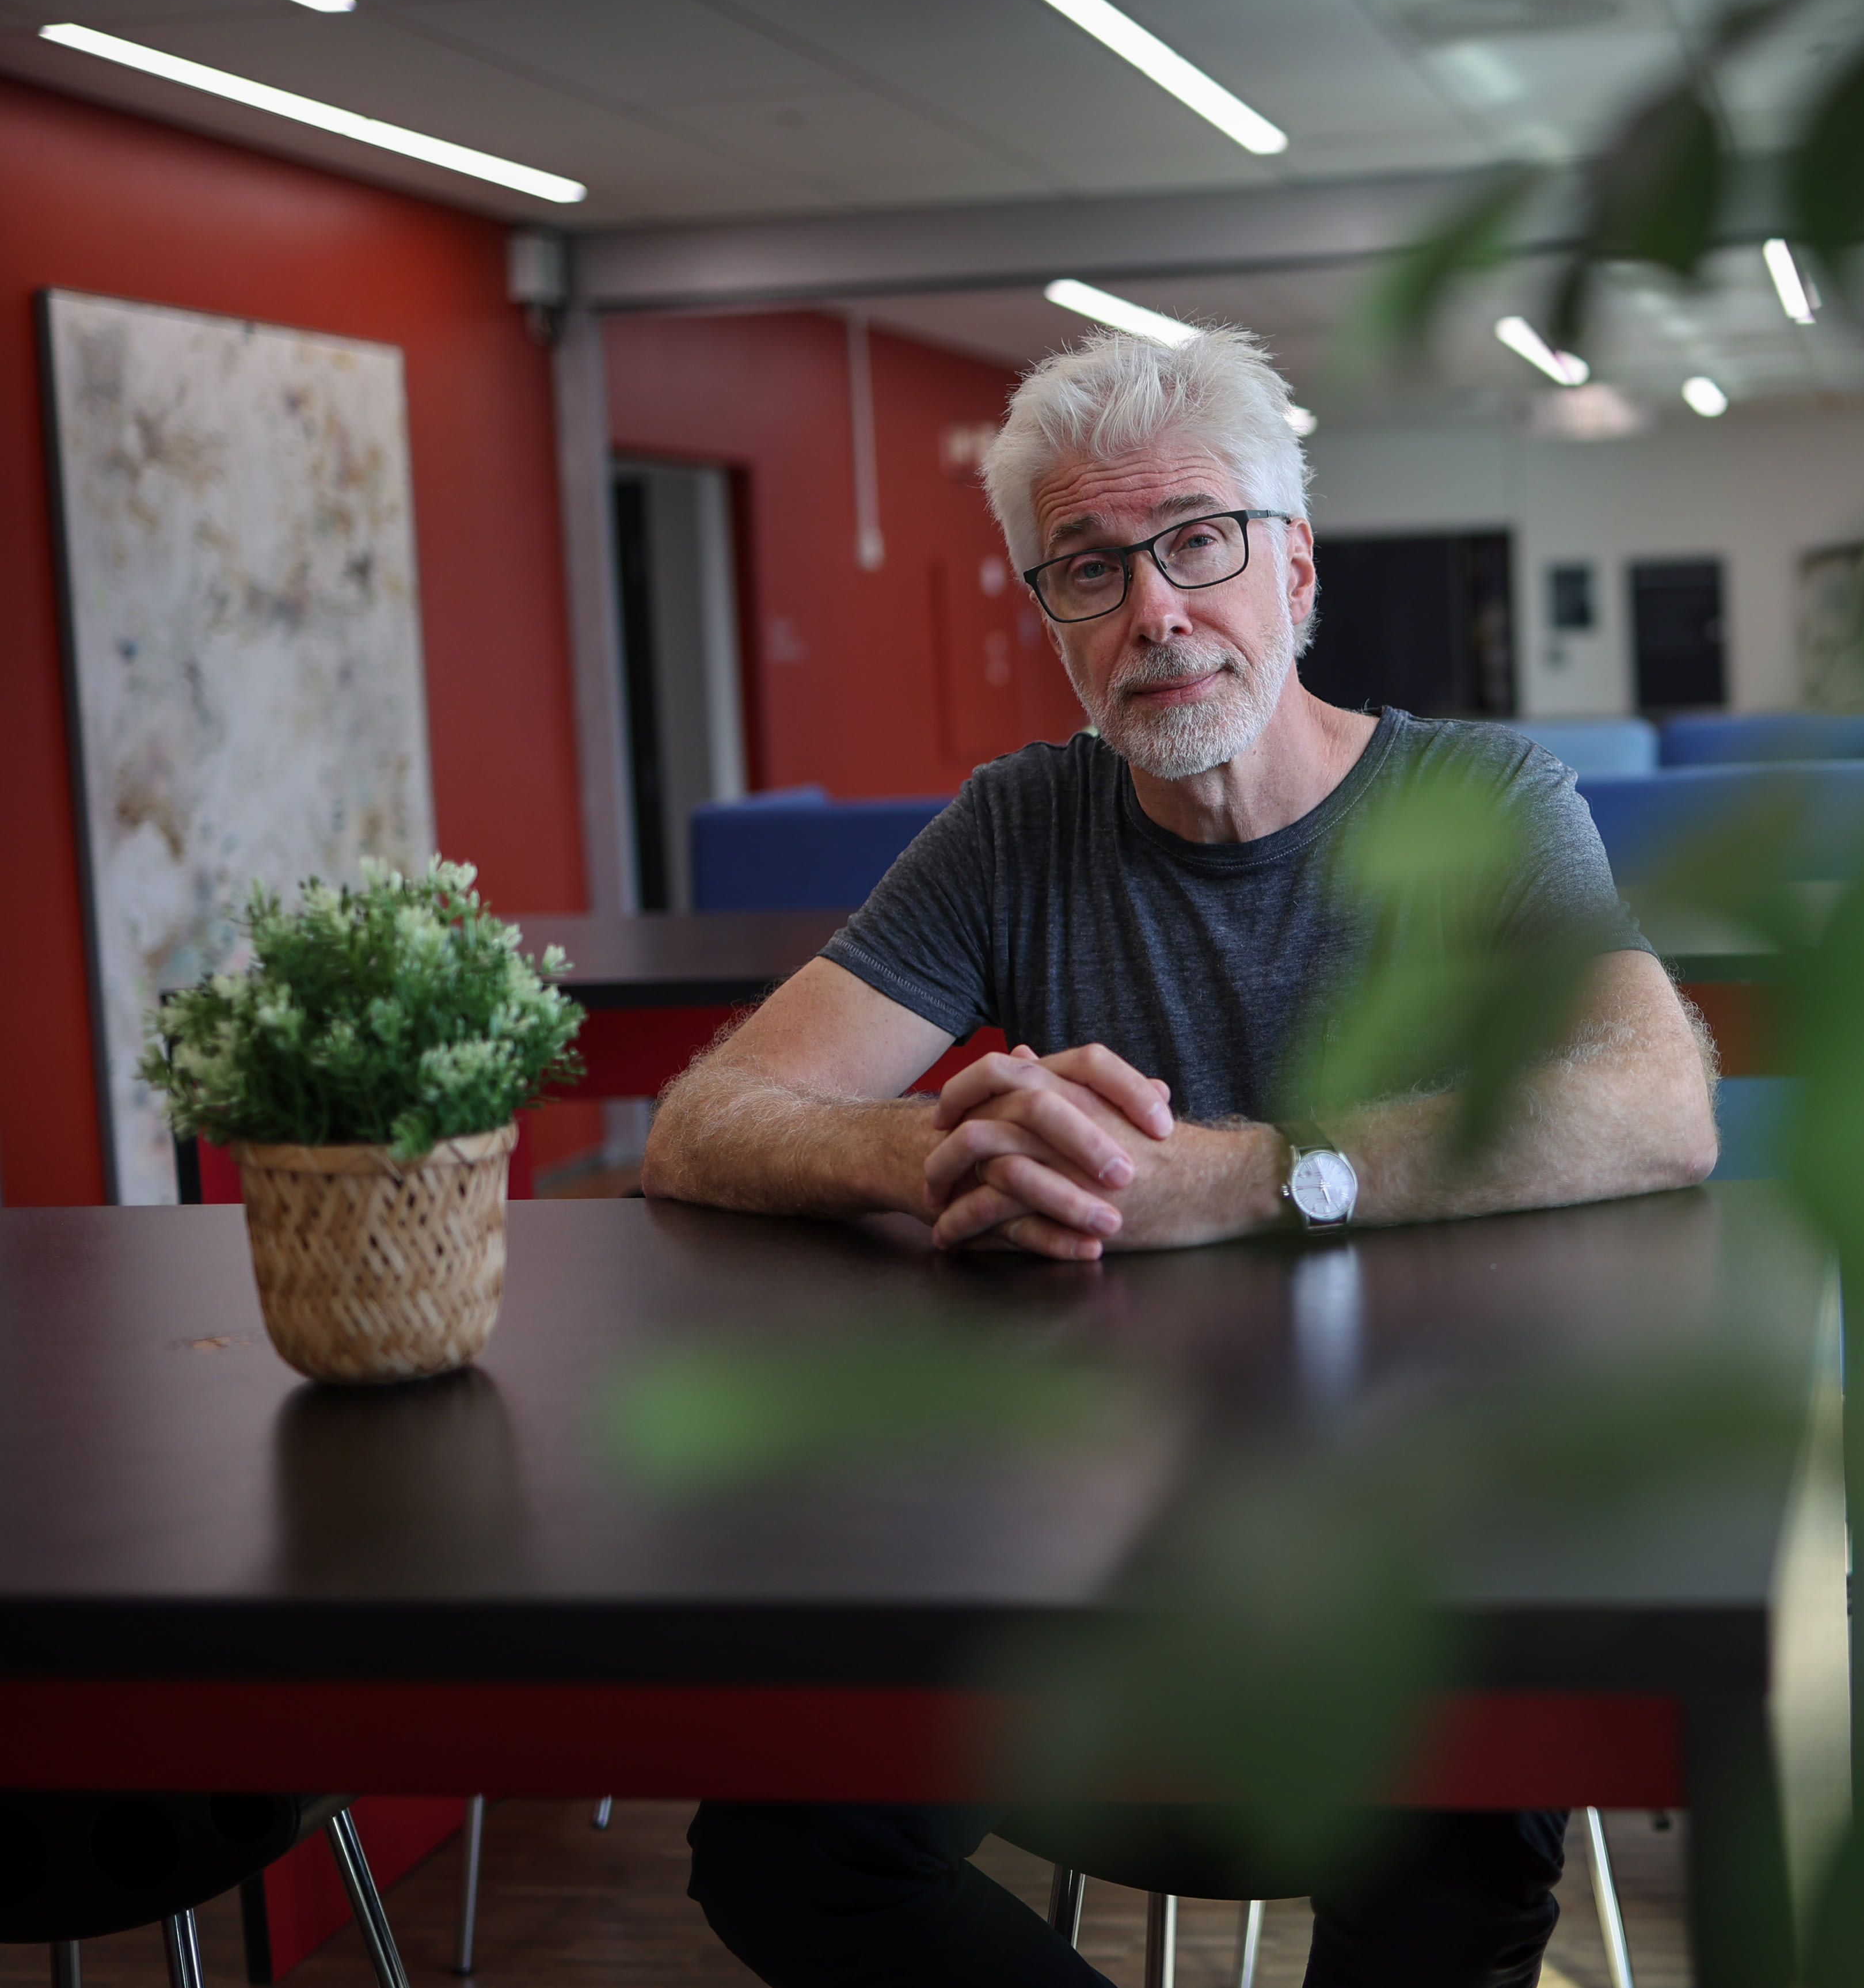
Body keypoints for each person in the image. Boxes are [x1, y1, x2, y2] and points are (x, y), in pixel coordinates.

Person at [643, 324, 1718, 1988]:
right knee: (786, 1849)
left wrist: (1261, 1175)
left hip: (1411, 1565)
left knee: (1457, 1865)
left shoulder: (1482, 800)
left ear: (1297, 569)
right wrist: (956, 1142)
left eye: (1198, 541)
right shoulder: (1019, 828)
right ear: (1053, 619)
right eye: (1090, 567)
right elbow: (703, 1122)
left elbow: (1660, 1102)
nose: (1153, 609)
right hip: (1080, 1561)